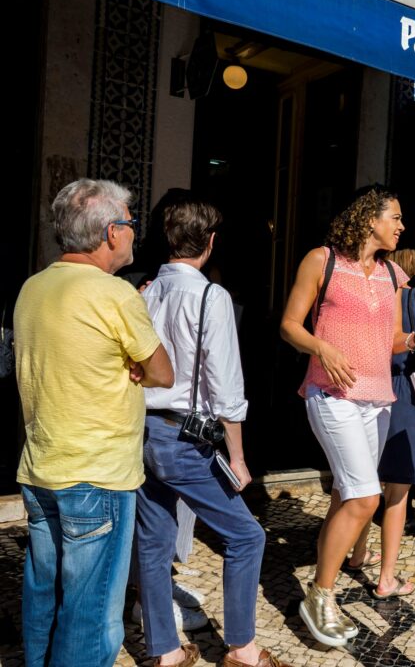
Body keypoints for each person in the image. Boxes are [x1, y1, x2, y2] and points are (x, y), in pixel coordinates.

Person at [14, 179, 173, 666]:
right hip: (98, 475)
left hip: (41, 468)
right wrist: (135, 361)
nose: (132, 233)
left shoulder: (32, 286)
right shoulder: (115, 294)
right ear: (109, 232)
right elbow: (163, 372)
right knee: (91, 614)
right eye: (128, 223)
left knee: (45, 596)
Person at [280, 186, 415, 647]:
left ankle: (323, 581)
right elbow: (289, 324)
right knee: (365, 497)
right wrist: (321, 346)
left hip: (378, 399)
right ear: (369, 218)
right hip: (331, 394)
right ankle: (320, 594)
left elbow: (391, 337)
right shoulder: (322, 260)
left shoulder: (393, 274)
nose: (401, 226)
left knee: (345, 494)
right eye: (395, 217)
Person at [135, 197, 288, 667]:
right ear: (210, 243)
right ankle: (242, 649)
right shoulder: (210, 297)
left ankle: (165, 652)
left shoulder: (143, 292)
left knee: (154, 541)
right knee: (247, 537)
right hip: (184, 439)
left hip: (140, 432)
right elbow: (226, 387)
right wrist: (238, 456)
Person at [361, 248, 415, 599]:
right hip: (410, 394)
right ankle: (386, 577)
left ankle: (356, 553)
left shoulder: (376, 299)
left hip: (373, 388)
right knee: (397, 492)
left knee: (366, 484)